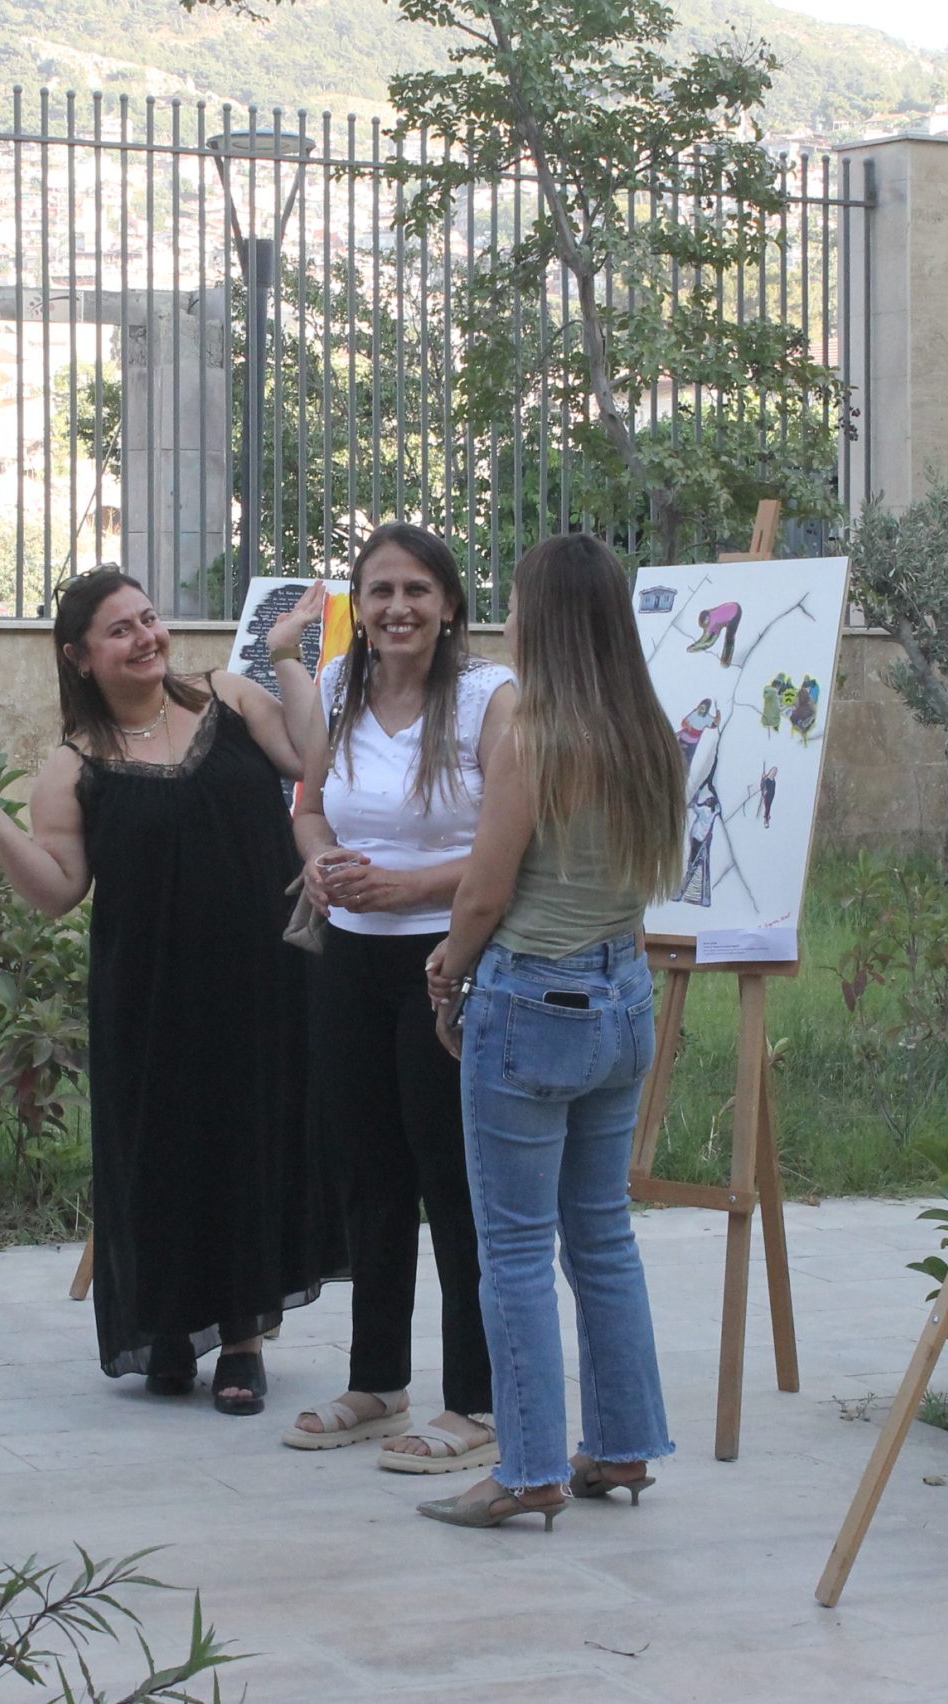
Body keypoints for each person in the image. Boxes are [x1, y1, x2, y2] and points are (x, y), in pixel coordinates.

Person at [0, 569, 339, 1415]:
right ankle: (168, 1331)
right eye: (121, 630)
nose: (147, 637)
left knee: (246, 1146)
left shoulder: (230, 697)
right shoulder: (71, 766)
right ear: (79, 656)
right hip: (150, 996)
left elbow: (312, 760)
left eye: (148, 619)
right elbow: (57, 891)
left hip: (260, 981)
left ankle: (242, 1341)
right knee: (163, 1155)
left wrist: (288, 659)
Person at [418, 532, 687, 1530]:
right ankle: (621, 1446)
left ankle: (528, 1467)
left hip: (531, 1000)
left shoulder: (533, 733)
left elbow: (484, 890)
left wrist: (446, 970)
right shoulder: (646, 731)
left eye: (517, 602)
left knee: (517, 1248)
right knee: (603, 1236)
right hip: (623, 993)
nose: (507, 618)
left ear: (544, 620)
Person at [282, 523, 516, 1474]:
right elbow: (308, 809)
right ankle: (378, 1382)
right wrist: (321, 865)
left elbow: (515, 843)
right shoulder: (338, 687)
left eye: (417, 590)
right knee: (367, 1174)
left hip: (451, 961)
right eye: (379, 592)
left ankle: (478, 1403)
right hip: (350, 959)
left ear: (449, 604)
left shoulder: (490, 698)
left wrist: (410, 887)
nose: (397, 608)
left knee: (451, 1180)